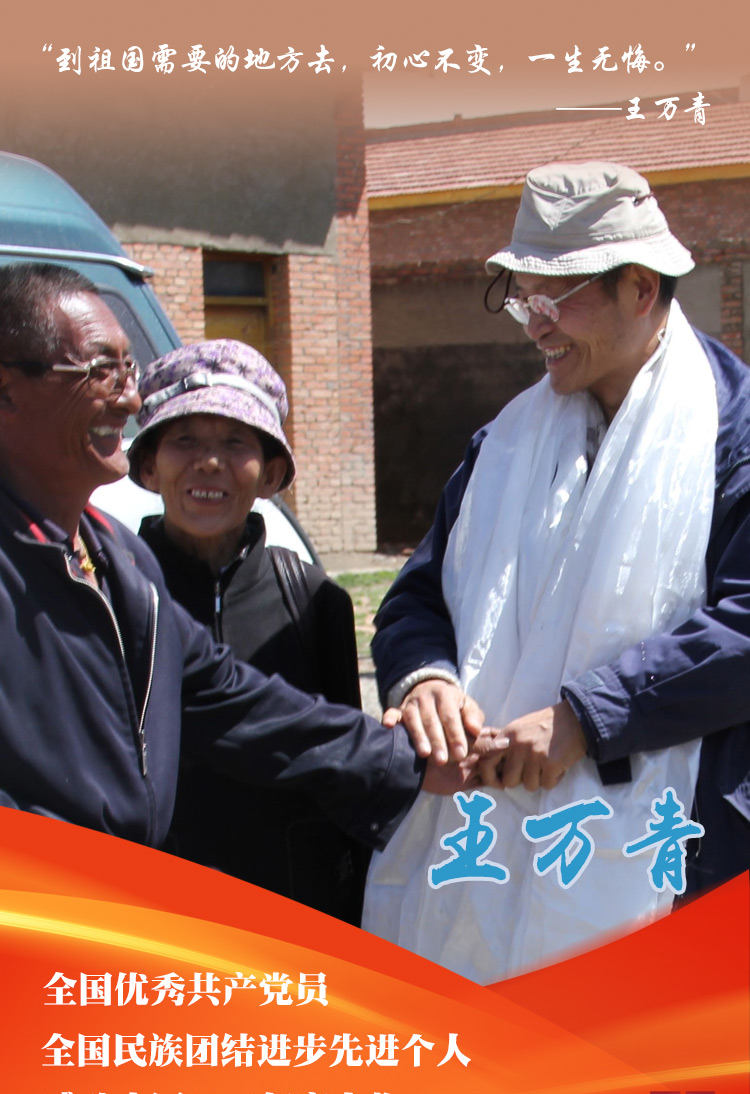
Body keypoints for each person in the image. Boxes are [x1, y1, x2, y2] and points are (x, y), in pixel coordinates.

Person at [363, 161, 750, 983]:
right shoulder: (505, 443)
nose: (534, 326)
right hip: (496, 835)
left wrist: (588, 717)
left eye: (555, 299)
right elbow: (418, 596)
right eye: (522, 300)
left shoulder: (732, 436)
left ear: (639, 288)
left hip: (686, 848)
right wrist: (426, 679)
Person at [0, 263, 489, 854]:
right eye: (99, 371)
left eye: (128, 370)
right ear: (7, 390)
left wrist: (403, 759)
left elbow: (227, 697)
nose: (128, 397)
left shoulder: (119, 565)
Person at [128, 339, 369, 921]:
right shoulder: (117, 596)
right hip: (155, 917)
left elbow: (348, 772)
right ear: (149, 466)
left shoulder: (312, 600)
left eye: (236, 442)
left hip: (292, 915)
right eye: (185, 440)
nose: (209, 462)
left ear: (271, 473)